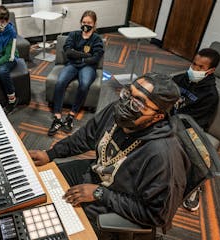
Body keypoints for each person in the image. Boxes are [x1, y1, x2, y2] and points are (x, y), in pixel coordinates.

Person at [30, 73, 190, 236]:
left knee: (54, 230)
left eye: (138, 103)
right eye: (128, 93)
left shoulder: (163, 156)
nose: (126, 104)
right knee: (39, 183)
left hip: (117, 204)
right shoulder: (118, 111)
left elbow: (156, 215)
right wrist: (50, 154)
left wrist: (100, 194)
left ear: (158, 116)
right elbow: (85, 137)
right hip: (97, 174)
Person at [172, 48, 220, 211]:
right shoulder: (183, 78)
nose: (194, 69)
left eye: (200, 67)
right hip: (171, 120)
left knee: (199, 160)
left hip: (192, 128)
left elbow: (192, 122)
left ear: (210, 70)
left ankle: (193, 189)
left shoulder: (210, 95)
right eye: (194, 64)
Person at [48, 10, 104, 136]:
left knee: (84, 85)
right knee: (60, 81)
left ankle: (71, 115)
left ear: (94, 24)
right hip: (72, 64)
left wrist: (78, 55)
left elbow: (96, 57)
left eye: (89, 22)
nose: (86, 24)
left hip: (88, 67)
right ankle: (57, 116)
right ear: (80, 22)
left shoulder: (97, 39)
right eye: (84, 22)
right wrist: (85, 55)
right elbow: (68, 51)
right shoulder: (73, 35)